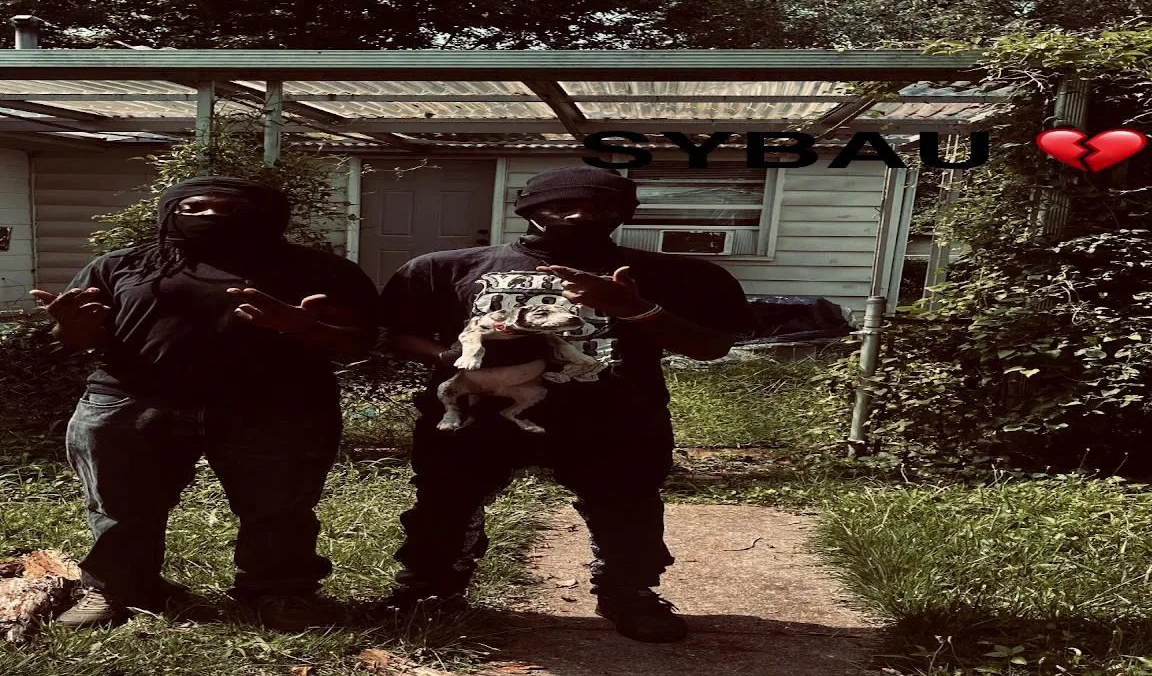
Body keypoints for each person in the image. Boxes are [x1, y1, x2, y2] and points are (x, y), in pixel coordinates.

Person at [379, 165, 757, 643]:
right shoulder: (445, 268)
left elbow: (712, 346)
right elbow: (396, 335)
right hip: (478, 415)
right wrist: (447, 356)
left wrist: (633, 308)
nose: (580, 217)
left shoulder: (675, 274)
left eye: (600, 209)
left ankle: (629, 592)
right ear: (530, 210)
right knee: (445, 501)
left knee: (627, 505)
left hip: (614, 416)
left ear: (623, 214)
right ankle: (430, 589)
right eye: (562, 207)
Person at [31, 176, 379, 631]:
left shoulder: (322, 271)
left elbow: (363, 342)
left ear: (267, 216)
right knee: (120, 504)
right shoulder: (122, 265)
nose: (210, 216)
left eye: (230, 209)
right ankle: (118, 588)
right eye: (193, 207)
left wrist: (303, 328)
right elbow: (73, 339)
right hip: (132, 402)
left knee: (279, 508)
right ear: (169, 213)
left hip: (278, 407)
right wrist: (70, 327)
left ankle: (280, 591)